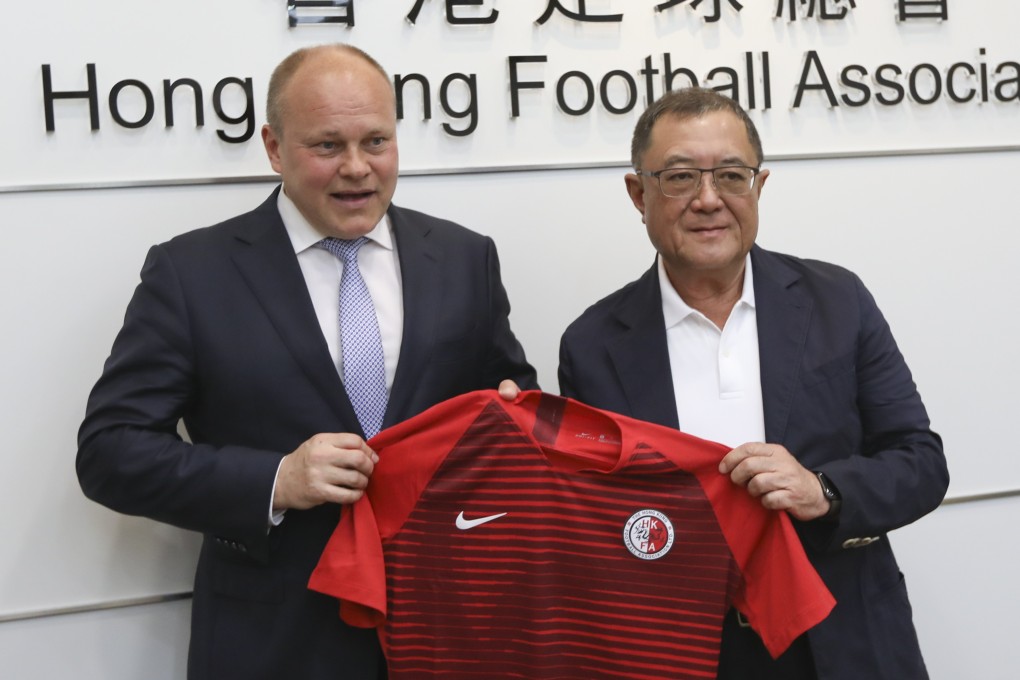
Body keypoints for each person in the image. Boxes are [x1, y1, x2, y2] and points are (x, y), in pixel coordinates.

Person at [76, 43, 537, 680]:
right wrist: (277, 480)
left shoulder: (465, 258)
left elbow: (509, 396)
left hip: (450, 631)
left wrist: (516, 423)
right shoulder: (191, 274)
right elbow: (110, 452)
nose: (357, 169)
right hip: (275, 642)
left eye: (376, 141)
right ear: (273, 147)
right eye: (327, 146)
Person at [557, 87, 948, 680]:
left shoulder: (837, 300)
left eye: (732, 176)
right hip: (686, 652)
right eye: (681, 177)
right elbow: (586, 523)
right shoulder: (591, 345)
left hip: (846, 641)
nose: (709, 201)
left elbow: (921, 463)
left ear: (760, 187)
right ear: (639, 194)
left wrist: (824, 490)